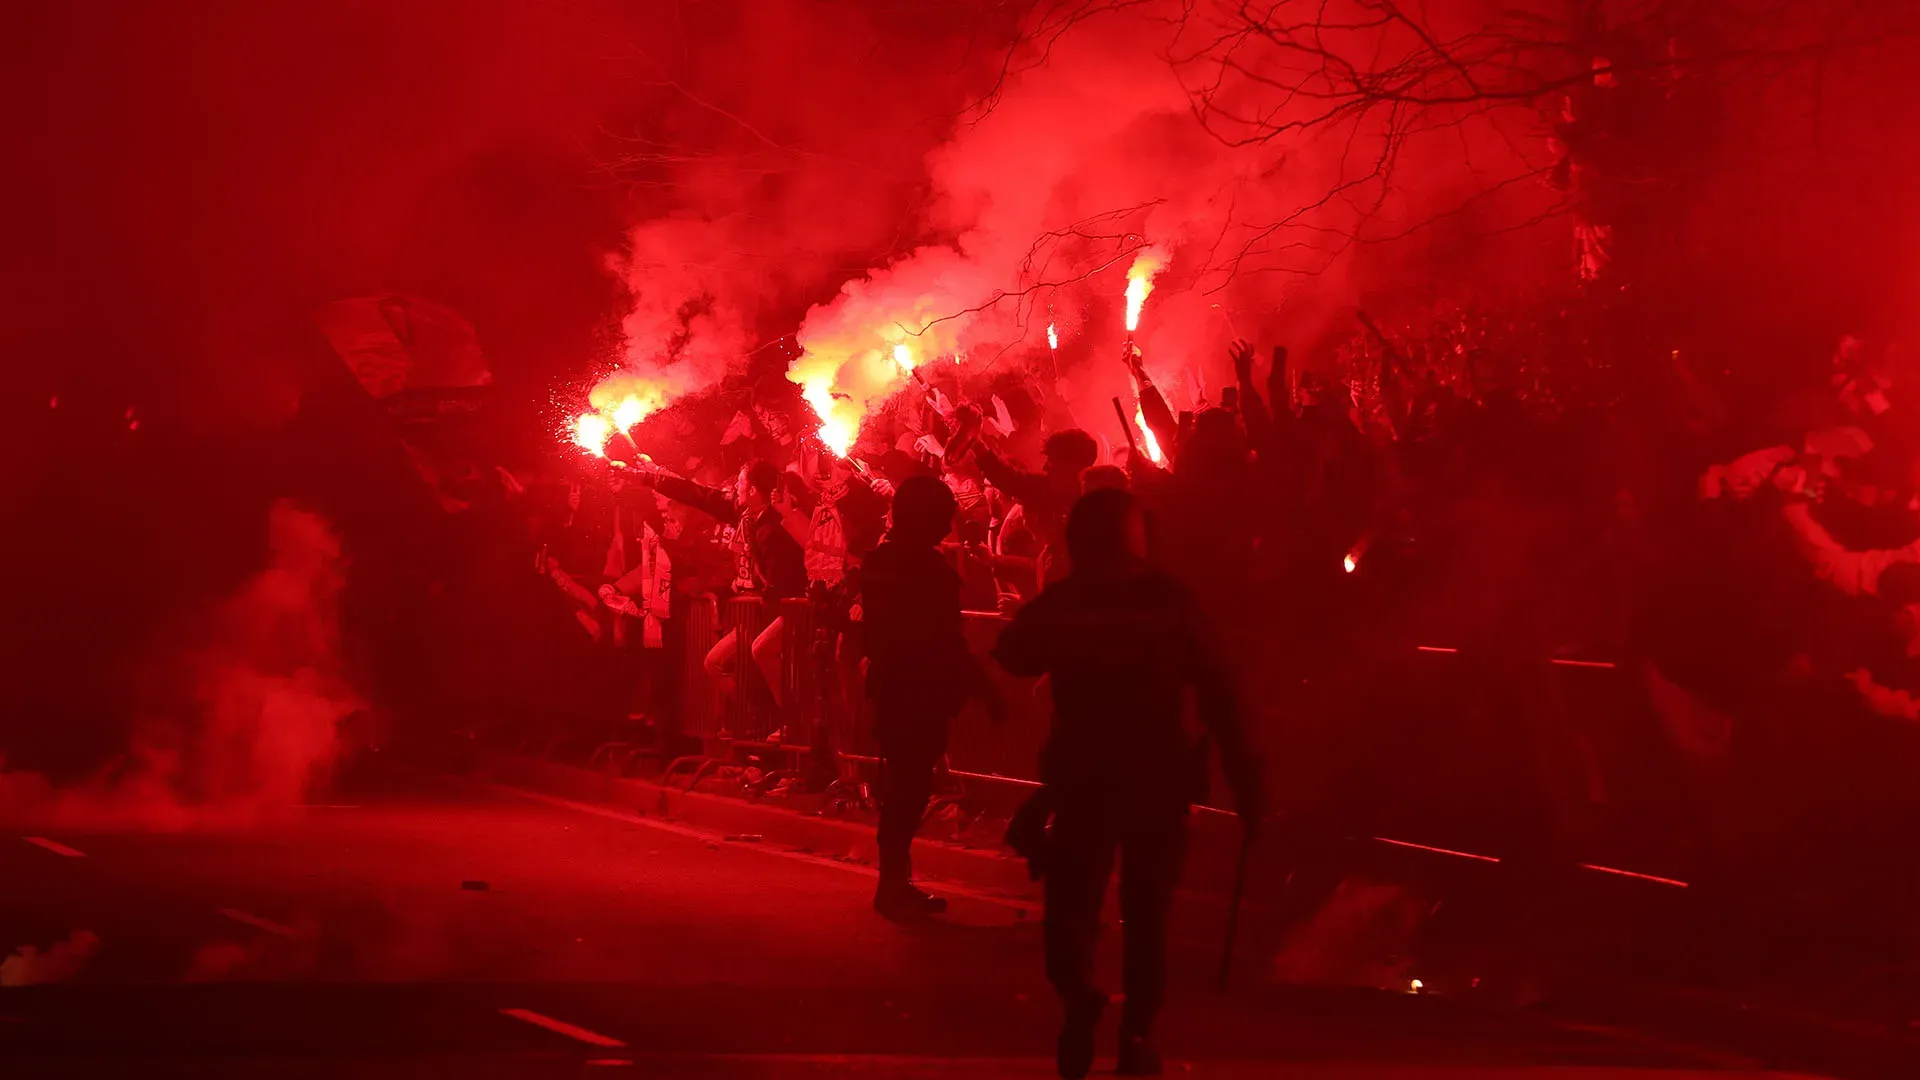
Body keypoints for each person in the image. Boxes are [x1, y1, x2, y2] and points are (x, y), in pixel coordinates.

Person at [993, 487, 1263, 1079]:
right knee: (1148, 916)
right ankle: (1138, 1030)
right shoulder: (1169, 601)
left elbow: (1012, 651)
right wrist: (1247, 785)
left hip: (1083, 778)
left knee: (1071, 908)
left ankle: (1079, 994)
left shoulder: (1070, 601)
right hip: (1157, 779)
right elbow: (1220, 691)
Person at [861, 475, 1004, 919]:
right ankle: (893, 885)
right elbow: (945, 643)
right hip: (917, 694)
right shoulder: (926, 572)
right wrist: (985, 689)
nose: (947, 525)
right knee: (909, 789)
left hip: (893, 689)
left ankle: (894, 881)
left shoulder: (880, 563)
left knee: (905, 787)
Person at [642, 459, 808, 710]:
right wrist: (648, 475)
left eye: (741, 482)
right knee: (714, 662)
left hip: (784, 612)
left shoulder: (777, 527)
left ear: (753, 490)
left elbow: (785, 582)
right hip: (760, 612)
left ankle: (786, 720)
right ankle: (759, 717)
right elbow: (700, 496)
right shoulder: (744, 514)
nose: (735, 487)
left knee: (762, 653)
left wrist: (756, 594)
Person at [974, 427, 1099, 584]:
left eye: (1051, 460)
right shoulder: (1091, 497)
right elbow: (1009, 479)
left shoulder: (1092, 503)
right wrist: (977, 446)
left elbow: (1010, 479)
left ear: (1068, 464)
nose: (1045, 466)